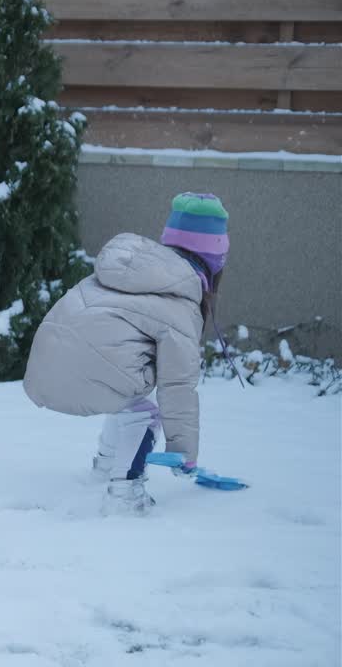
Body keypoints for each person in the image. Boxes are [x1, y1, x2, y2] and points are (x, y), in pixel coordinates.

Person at [23, 193, 230, 515]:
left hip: (42, 373)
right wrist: (184, 452)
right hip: (86, 378)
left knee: (121, 381)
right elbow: (178, 387)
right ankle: (124, 493)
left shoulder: (119, 272)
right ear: (216, 257)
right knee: (141, 406)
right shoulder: (181, 305)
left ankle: (104, 468)